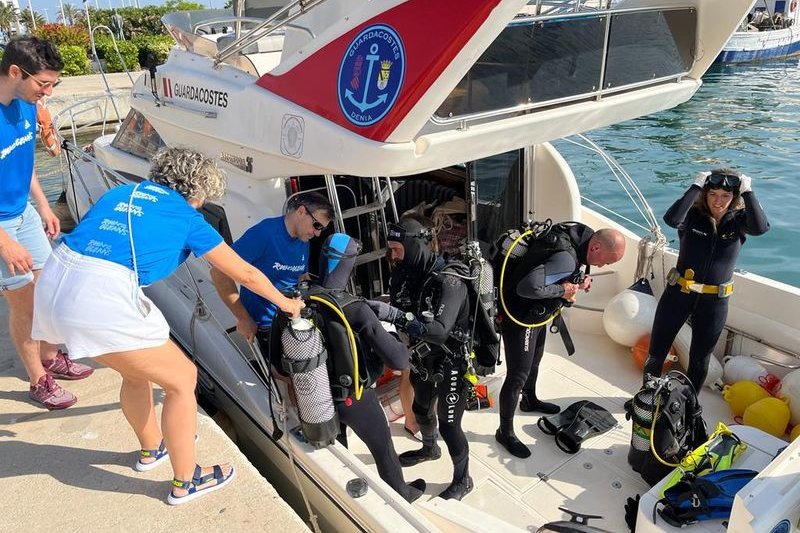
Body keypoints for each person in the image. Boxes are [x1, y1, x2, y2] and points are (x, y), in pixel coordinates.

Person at [31, 147, 303, 504]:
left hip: (55, 280)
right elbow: (247, 274)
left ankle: (151, 449)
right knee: (182, 380)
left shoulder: (119, 192)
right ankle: (186, 481)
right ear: (199, 191)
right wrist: (286, 304)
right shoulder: (187, 217)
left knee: (135, 373)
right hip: (100, 297)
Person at [0, 36, 93, 410]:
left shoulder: (25, 104)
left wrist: (43, 206)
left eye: (54, 83)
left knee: (50, 288)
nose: (49, 92)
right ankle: (38, 379)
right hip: (2, 229)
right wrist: (5, 243)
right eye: (44, 83)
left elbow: (24, 162)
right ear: (15, 72)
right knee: (23, 302)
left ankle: (51, 355)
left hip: (23, 214)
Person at [495, 223, 626, 459]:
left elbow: (563, 275)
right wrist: (563, 291)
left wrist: (578, 282)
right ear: (596, 247)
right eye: (606, 261)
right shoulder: (566, 258)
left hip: (538, 313)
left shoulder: (581, 240)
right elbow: (527, 288)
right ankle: (504, 432)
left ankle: (530, 400)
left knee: (535, 360)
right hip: (521, 316)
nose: (604, 266)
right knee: (517, 376)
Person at [312, 232, 426, 502]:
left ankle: (341, 489)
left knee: (337, 446)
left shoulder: (303, 296)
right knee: (382, 446)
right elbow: (398, 360)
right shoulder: (355, 308)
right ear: (349, 266)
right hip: (354, 397)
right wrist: (398, 341)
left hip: (317, 394)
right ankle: (402, 493)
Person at [644, 169, 769, 391]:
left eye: (725, 196)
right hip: (678, 295)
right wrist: (696, 185)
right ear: (704, 194)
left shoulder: (740, 221)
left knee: (700, 359)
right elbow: (671, 219)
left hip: (713, 303)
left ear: (734, 198)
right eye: (712, 194)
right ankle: (647, 398)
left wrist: (748, 191)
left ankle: (688, 405)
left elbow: (760, 228)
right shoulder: (692, 215)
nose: (718, 201)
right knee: (657, 352)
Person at [386, 215, 474, 501]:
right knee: (422, 409)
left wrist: (393, 316)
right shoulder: (404, 273)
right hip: (422, 359)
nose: (392, 255)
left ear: (414, 246)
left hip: (451, 362)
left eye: (397, 249)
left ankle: (464, 479)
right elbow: (402, 310)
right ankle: (429, 448)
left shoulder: (451, 280)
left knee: (449, 425)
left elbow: (437, 331)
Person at [210, 191, 333, 356]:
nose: (317, 233)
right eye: (317, 225)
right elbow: (219, 272)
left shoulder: (303, 240)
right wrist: (243, 318)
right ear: (301, 211)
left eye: (322, 229)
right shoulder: (265, 234)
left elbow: (299, 277)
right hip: (266, 326)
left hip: (293, 319)